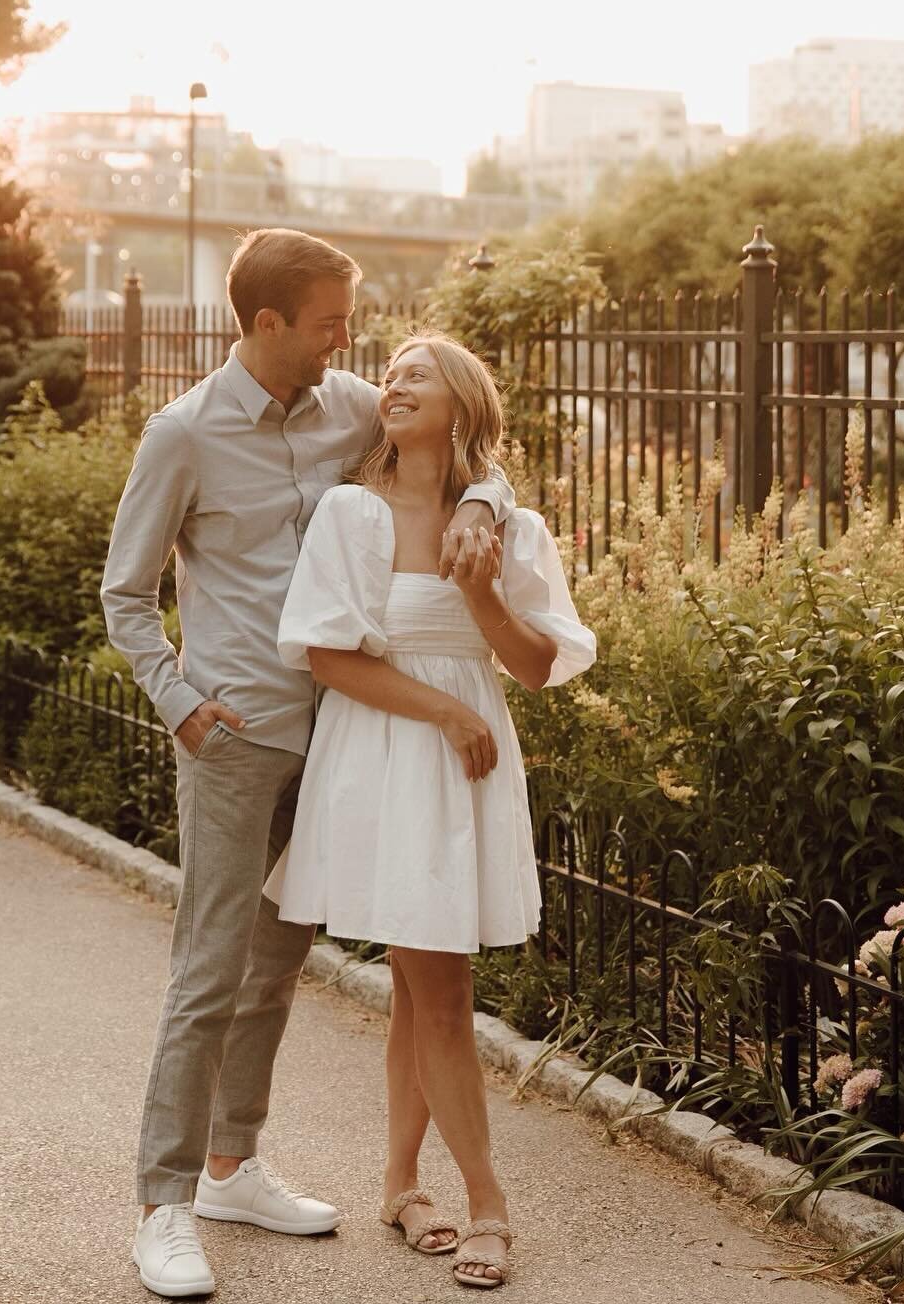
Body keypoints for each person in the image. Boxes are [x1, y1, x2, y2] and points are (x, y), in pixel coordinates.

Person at [101, 230, 514, 1300]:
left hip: (341, 738)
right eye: (331, 320)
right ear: (268, 322)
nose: (349, 339)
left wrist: (482, 504)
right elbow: (124, 591)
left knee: (280, 967)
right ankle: (164, 1204)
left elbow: (466, 438)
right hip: (238, 738)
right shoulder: (183, 434)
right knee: (209, 972)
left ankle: (233, 1166)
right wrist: (181, 702)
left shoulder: (345, 409)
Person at [263, 332, 596, 1290]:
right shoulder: (350, 513)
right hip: (390, 756)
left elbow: (536, 667)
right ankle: (488, 1203)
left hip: (468, 767)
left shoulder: (506, 526)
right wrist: (445, 708)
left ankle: (402, 1184)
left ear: (464, 401)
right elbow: (328, 657)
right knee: (440, 988)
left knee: (422, 986)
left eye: (420, 372)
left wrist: (482, 590)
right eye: (391, 373)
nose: (396, 382)